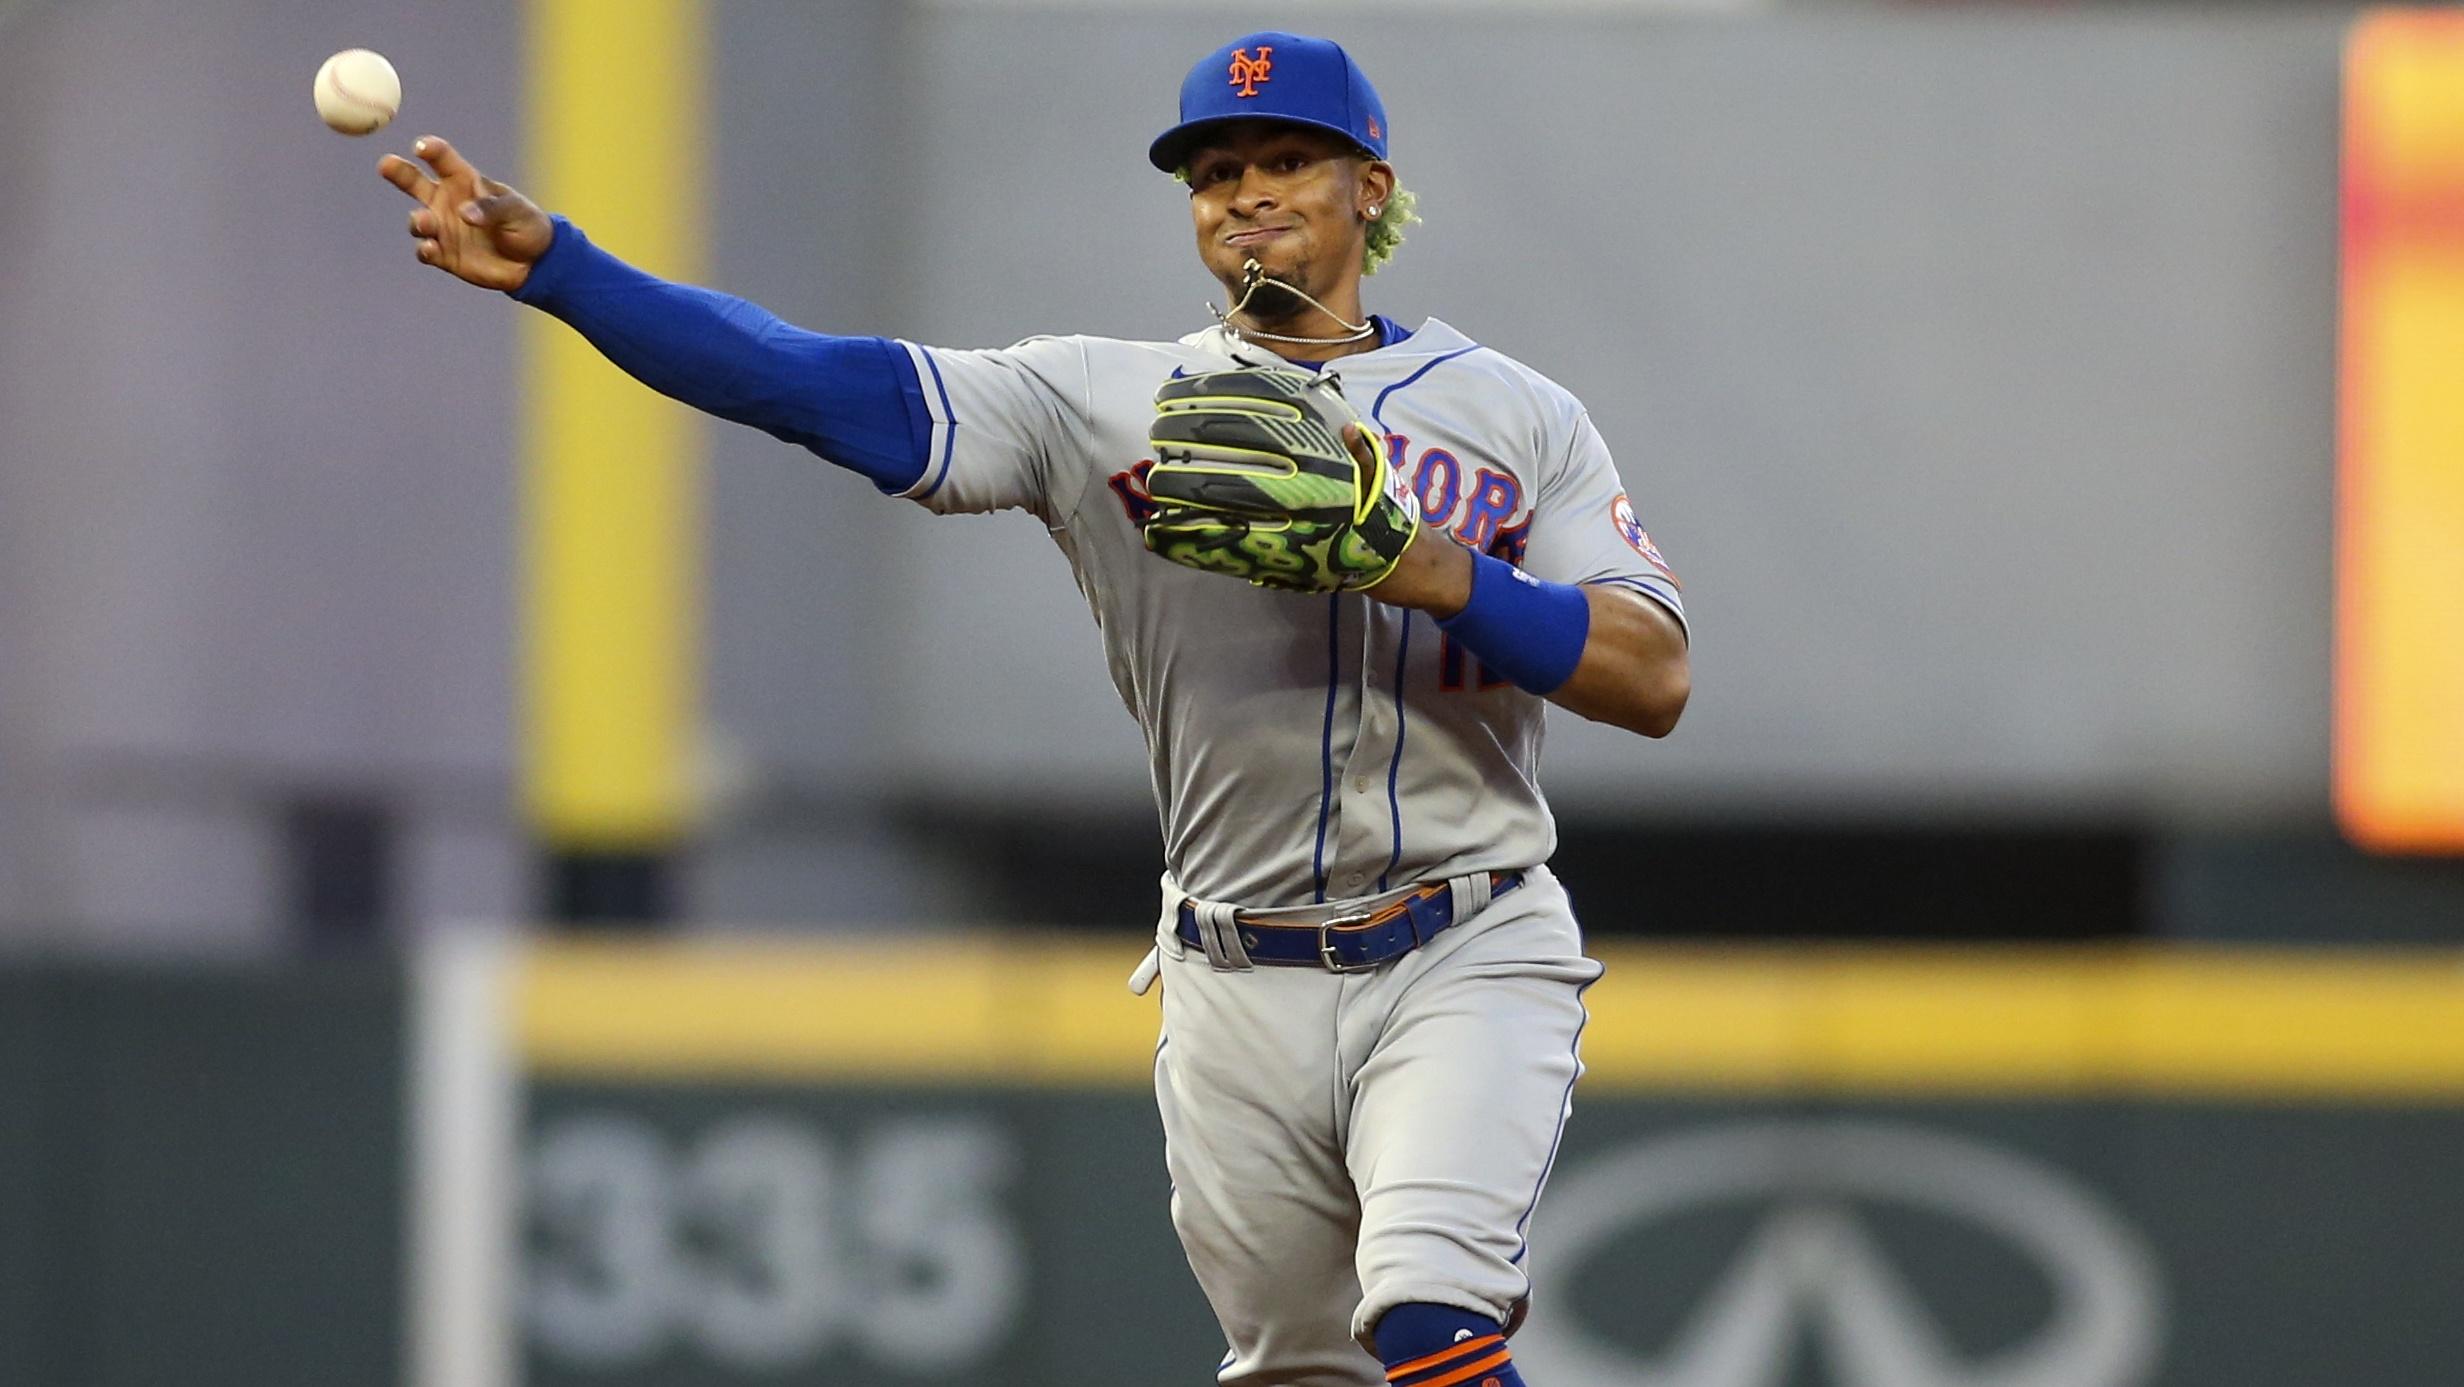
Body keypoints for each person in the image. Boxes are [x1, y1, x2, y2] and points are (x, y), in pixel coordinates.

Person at [383, 30, 1688, 1387]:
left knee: (1428, 1311)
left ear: (1371, 186)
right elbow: (822, 385)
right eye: (1215, 171)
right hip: (1235, 976)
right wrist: (569, 275)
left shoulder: (1518, 415)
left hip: (1462, 941)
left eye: (1287, 159)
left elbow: (1648, 677)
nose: (1245, 191)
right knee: (1314, 1377)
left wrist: (1421, 562)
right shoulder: (1105, 399)